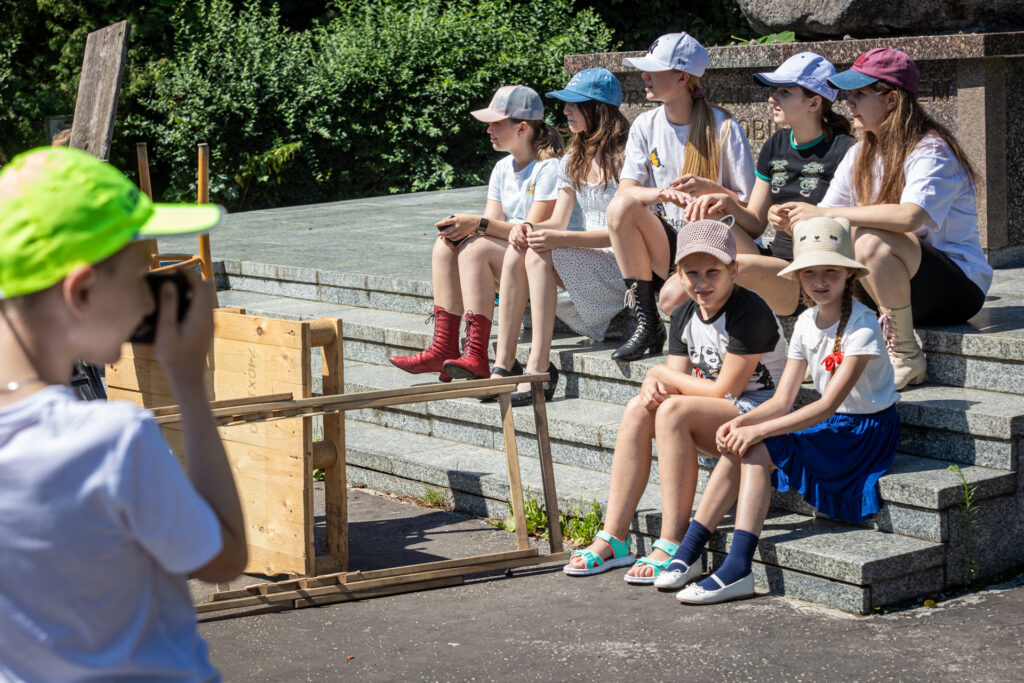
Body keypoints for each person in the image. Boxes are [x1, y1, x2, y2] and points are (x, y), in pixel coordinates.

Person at [0, 147, 247, 679]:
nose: (147, 301)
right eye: (141, 279)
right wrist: (188, 383)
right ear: (82, 291)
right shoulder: (110, 439)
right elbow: (224, 559)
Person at [658, 216, 900, 604]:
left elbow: (826, 406)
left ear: (848, 276)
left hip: (864, 433)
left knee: (756, 446)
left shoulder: (862, 325)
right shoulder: (805, 321)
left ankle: (737, 567)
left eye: (830, 272)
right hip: (835, 424)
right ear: (799, 277)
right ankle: (690, 551)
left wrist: (758, 431)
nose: (819, 281)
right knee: (743, 441)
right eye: (809, 273)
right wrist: (743, 422)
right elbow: (781, 400)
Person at [563, 219, 786, 583]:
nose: (702, 282)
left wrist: (659, 376)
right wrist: (657, 385)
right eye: (691, 272)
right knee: (640, 408)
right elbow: (676, 382)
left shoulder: (750, 311)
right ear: (678, 275)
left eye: (713, 271)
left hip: (762, 414)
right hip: (716, 414)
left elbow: (723, 390)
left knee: (672, 410)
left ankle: (673, 541)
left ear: (734, 269)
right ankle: (615, 536)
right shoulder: (684, 313)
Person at [781, 48, 992, 389]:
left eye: (859, 94)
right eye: (848, 94)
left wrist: (826, 213)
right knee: (826, 237)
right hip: (892, 281)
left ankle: (907, 355)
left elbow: (909, 216)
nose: (848, 103)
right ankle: (828, 346)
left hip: (957, 288)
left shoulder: (931, 149)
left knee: (868, 239)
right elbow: (827, 219)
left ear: (892, 99)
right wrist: (797, 218)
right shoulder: (861, 150)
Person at [660, 51, 855, 318]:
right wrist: (726, 201)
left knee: (733, 269)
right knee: (673, 293)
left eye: (784, 92)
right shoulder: (775, 145)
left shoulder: (845, 149)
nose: (771, 98)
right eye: (774, 91)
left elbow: (853, 224)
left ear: (814, 103)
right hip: (773, 260)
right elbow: (754, 225)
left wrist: (802, 221)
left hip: (811, 271)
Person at [389, 85, 562, 381]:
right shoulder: (502, 168)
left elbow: (529, 232)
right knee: (447, 244)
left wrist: (477, 224)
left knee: (475, 247)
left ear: (522, 128)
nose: (489, 130)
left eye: (496, 122)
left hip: (548, 268)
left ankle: (475, 353)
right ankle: (444, 346)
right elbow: (492, 225)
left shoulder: (549, 168)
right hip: (513, 261)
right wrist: (464, 228)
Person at [606, 31, 755, 361]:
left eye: (653, 69)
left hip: (717, 241)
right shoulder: (645, 124)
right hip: (672, 241)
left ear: (682, 77)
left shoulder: (724, 127)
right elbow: (626, 193)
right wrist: (663, 193)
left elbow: (748, 212)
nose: (644, 76)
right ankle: (646, 323)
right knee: (620, 208)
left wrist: (710, 189)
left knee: (673, 301)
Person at [490, 68, 630, 404]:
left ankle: (538, 365)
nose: (565, 110)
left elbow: (622, 235)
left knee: (539, 251)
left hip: (623, 266)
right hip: (588, 260)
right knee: (522, 244)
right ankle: (503, 365)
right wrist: (530, 228)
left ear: (597, 108)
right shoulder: (573, 157)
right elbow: (558, 221)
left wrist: (556, 239)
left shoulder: (628, 156)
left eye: (573, 104)